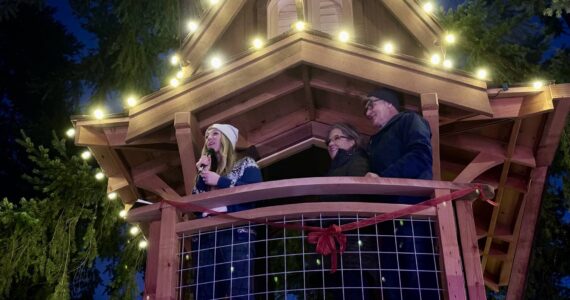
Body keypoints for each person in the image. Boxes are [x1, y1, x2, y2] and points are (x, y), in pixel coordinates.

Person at [363, 87, 438, 300]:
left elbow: (421, 155)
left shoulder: (410, 120)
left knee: (418, 276)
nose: (367, 113)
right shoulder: (374, 141)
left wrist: (383, 179)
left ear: (389, 102)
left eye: (371, 104)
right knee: (393, 284)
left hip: (413, 211)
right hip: (386, 220)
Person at [191, 123, 262, 300]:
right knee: (204, 293)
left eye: (215, 133)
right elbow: (195, 208)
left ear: (227, 139)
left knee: (239, 291)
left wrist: (220, 181)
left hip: (236, 234)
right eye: (207, 136)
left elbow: (255, 193)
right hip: (206, 236)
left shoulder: (246, 163)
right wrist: (202, 176)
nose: (209, 138)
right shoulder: (206, 173)